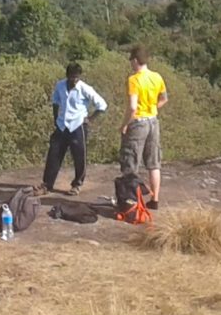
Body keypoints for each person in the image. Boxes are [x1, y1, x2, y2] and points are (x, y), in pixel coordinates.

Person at [42, 61, 106, 194]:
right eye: (72, 77)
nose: (74, 80)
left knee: (79, 156)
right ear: (67, 76)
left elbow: (102, 105)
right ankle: (47, 184)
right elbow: (55, 102)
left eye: (77, 77)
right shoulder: (60, 85)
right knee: (54, 154)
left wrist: (90, 119)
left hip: (78, 125)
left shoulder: (84, 88)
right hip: (62, 125)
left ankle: (77, 184)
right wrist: (55, 119)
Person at [120, 46, 168, 210]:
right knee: (153, 162)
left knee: (131, 162)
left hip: (138, 122)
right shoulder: (157, 77)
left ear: (135, 60)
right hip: (153, 121)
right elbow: (164, 99)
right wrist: (152, 108)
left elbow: (133, 107)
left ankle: (132, 203)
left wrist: (124, 124)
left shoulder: (134, 79)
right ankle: (155, 199)